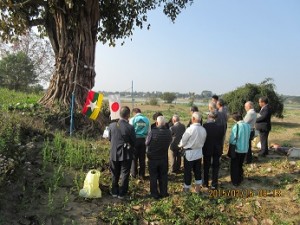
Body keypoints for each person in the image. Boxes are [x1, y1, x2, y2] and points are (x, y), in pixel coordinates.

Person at [108, 106, 136, 199]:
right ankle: (122, 193)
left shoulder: (111, 126)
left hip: (114, 153)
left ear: (120, 114)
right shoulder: (130, 127)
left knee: (114, 173)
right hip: (126, 153)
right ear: (128, 115)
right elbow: (133, 142)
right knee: (125, 173)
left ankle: (114, 191)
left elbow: (110, 139)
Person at [179, 112, 207, 193]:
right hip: (198, 153)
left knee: (188, 171)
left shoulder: (190, 129)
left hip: (189, 154)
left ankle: (186, 189)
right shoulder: (203, 129)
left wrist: (180, 145)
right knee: (198, 171)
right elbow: (203, 141)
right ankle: (198, 188)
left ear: (193, 119)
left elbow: (183, 142)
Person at [146, 116, 172, 199]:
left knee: (153, 176)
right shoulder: (169, 132)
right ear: (164, 123)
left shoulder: (153, 132)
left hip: (153, 158)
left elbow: (147, 142)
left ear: (157, 123)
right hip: (163, 157)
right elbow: (170, 141)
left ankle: (154, 194)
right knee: (163, 175)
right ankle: (164, 192)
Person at [202, 111, 225, 189]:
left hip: (207, 148)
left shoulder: (205, 126)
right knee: (216, 167)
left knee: (206, 166)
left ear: (209, 116)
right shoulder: (221, 126)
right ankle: (214, 184)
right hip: (217, 148)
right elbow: (221, 138)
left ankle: (205, 183)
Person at [229, 113, 250, 186]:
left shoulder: (236, 126)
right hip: (245, 148)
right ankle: (240, 178)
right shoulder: (248, 126)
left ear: (235, 119)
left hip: (237, 149)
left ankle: (235, 181)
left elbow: (232, 139)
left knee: (235, 165)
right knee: (240, 164)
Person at [129, 108, 150, 179]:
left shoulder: (132, 119)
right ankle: (142, 175)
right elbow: (149, 132)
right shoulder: (146, 119)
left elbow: (130, 131)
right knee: (142, 158)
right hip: (143, 140)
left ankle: (134, 174)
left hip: (135, 140)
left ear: (134, 113)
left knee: (134, 158)